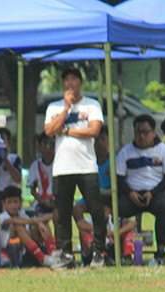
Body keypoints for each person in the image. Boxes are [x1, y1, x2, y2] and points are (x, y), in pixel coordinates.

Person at [44, 66, 108, 268]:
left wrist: (68, 131)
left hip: (86, 166)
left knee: (96, 210)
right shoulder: (54, 107)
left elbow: (94, 130)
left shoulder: (92, 105)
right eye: (66, 80)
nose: (70, 83)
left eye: (74, 79)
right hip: (62, 168)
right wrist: (65, 109)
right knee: (63, 213)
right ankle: (67, 254)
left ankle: (99, 252)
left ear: (81, 82)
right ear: (63, 84)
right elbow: (49, 131)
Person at [115, 114, 165, 264]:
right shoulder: (125, 152)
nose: (141, 136)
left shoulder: (164, 150)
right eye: (138, 132)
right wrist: (130, 193)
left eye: (145, 132)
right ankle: (121, 250)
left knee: (163, 207)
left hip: (156, 192)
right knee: (118, 208)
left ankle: (161, 250)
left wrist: (153, 193)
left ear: (154, 133)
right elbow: (119, 178)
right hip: (132, 193)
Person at [0, 185, 72, 269]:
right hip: (12, 253)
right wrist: (36, 221)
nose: (13, 205)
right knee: (18, 228)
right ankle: (43, 258)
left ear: (20, 202)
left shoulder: (22, 213)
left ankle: (52, 252)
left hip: (29, 250)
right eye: (9, 202)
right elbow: (13, 220)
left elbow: (48, 216)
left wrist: (39, 222)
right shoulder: (3, 216)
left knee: (43, 223)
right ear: (4, 203)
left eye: (15, 202)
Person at [73, 125, 112, 262]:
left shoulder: (114, 160)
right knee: (76, 208)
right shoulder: (88, 160)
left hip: (110, 198)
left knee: (109, 210)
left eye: (103, 138)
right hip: (91, 196)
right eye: (96, 139)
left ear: (108, 140)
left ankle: (107, 245)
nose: (99, 142)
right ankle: (86, 239)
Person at [27, 133, 56, 223]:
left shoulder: (59, 163)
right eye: (46, 144)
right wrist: (43, 201)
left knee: (58, 216)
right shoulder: (35, 166)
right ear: (40, 146)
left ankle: (59, 237)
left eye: (52, 144)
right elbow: (32, 190)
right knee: (38, 221)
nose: (49, 148)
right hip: (41, 200)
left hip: (56, 201)